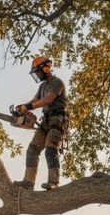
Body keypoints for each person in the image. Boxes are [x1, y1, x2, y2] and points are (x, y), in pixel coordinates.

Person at [13, 57, 68, 191]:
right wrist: (23, 107)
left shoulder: (57, 82)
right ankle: (28, 182)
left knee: (51, 149)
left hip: (57, 119)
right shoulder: (42, 86)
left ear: (46, 68)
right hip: (46, 120)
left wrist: (29, 106)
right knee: (33, 149)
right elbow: (35, 100)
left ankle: (53, 182)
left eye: (38, 72)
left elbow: (48, 100)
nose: (37, 75)